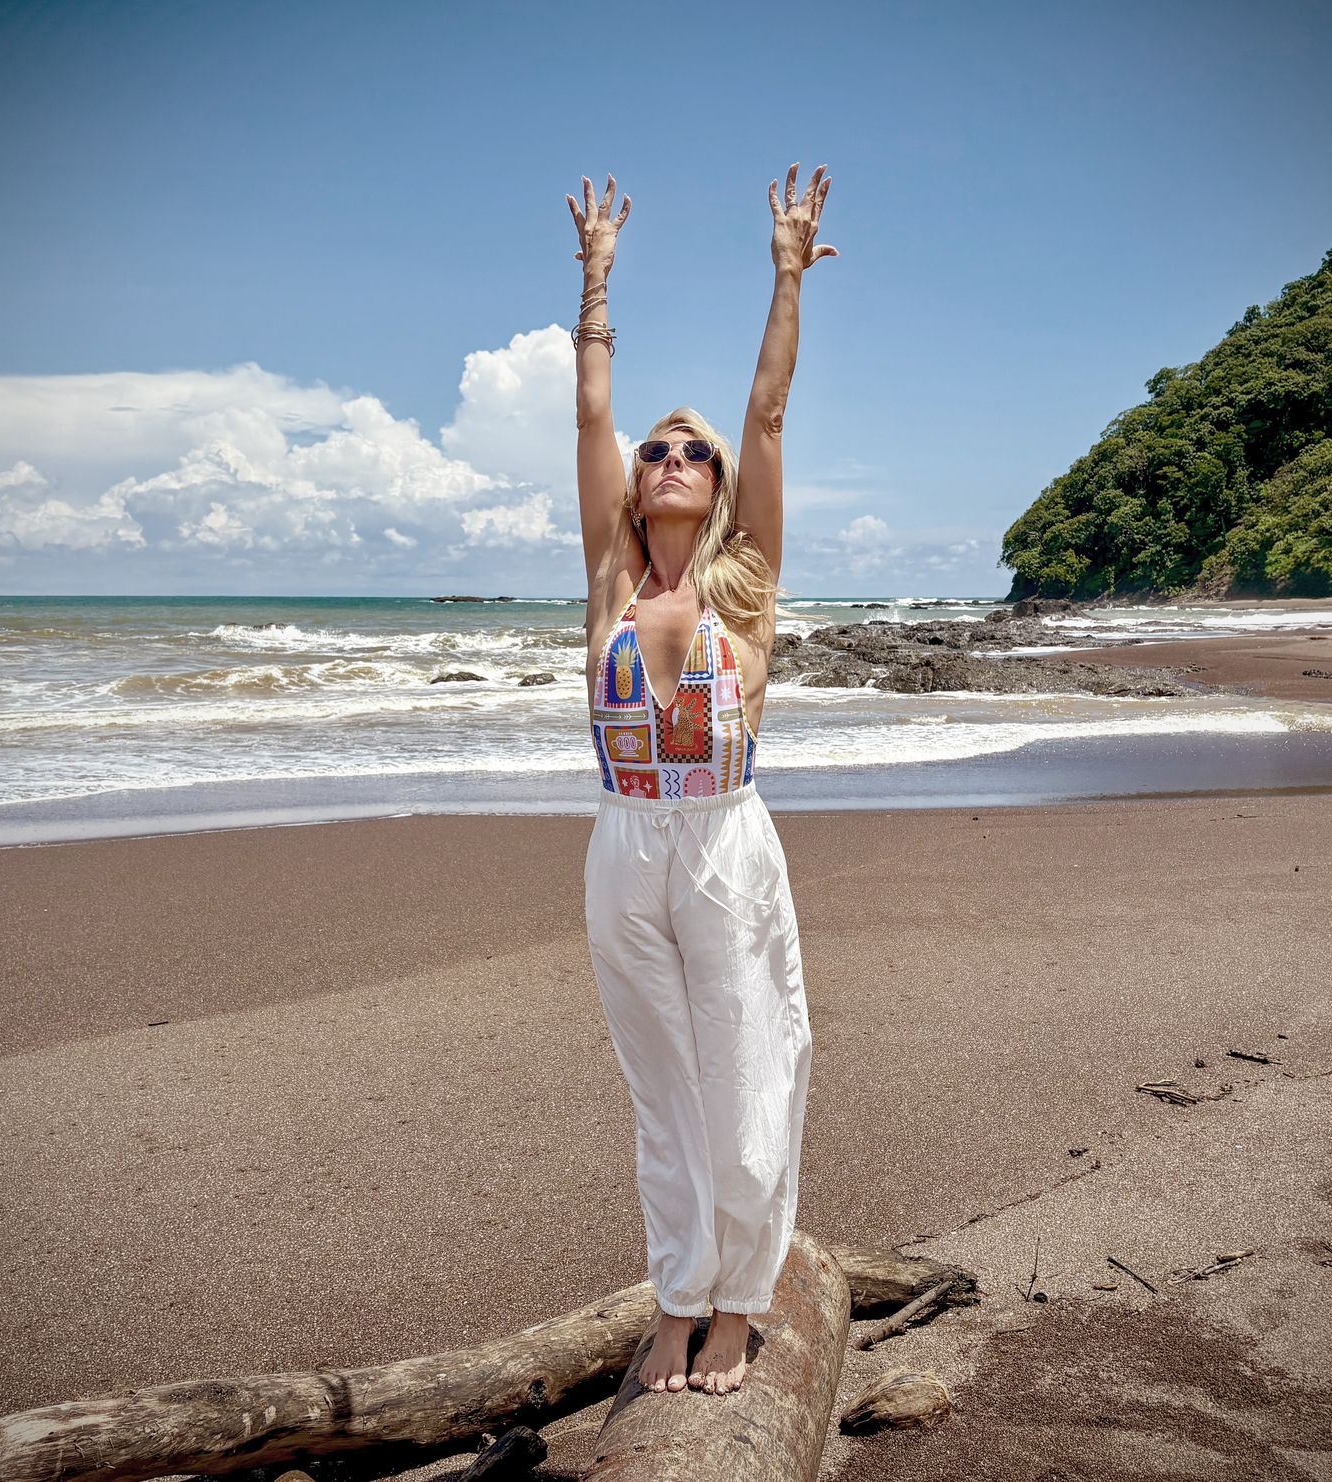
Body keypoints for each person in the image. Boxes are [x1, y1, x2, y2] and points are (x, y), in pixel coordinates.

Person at [565, 164, 837, 1396]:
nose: (672, 455)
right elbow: (587, 423)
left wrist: (786, 278)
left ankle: (741, 1300)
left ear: (719, 487)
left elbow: (769, 414)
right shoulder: (612, 588)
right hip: (625, 846)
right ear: (637, 483)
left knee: (745, 1071)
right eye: (656, 448)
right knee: (660, 1087)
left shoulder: (747, 589)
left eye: (693, 450)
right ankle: (676, 1296)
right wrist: (595, 288)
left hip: (725, 843)